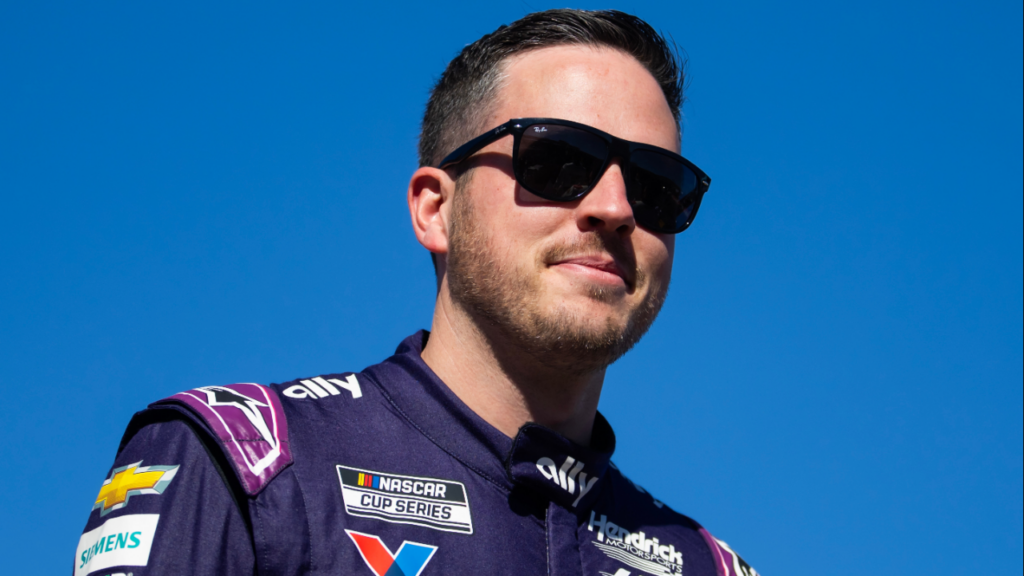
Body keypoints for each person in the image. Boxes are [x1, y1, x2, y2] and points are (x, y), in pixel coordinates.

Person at [73, 9, 758, 576]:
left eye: (656, 185)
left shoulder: (709, 565)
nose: (615, 208)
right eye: (559, 161)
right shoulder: (246, 463)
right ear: (435, 209)